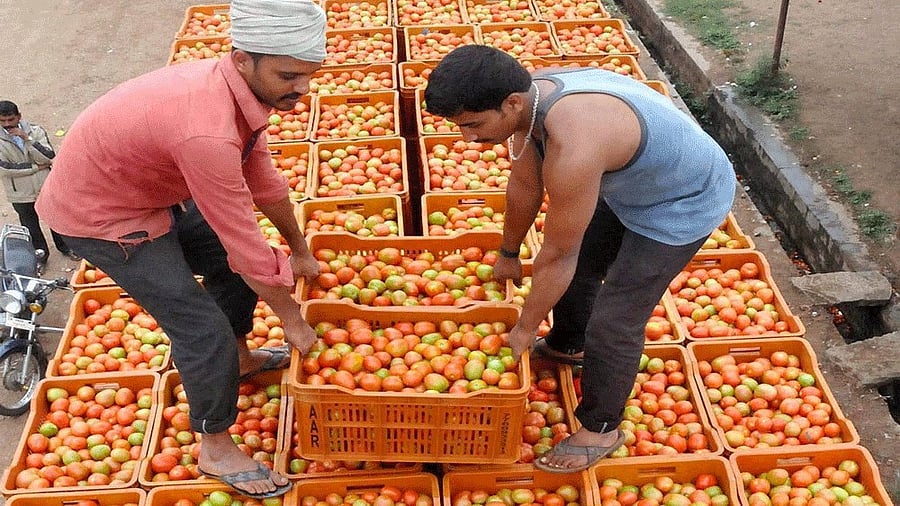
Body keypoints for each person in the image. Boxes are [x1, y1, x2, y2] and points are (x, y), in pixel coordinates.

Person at [36, 0, 327, 498]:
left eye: (308, 75)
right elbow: (245, 244)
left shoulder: (240, 95)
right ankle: (215, 446)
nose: (300, 88)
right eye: (288, 75)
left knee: (227, 269)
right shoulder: (206, 130)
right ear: (242, 59)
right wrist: (292, 317)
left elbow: (266, 183)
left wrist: (299, 250)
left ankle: (239, 359)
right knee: (201, 327)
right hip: (103, 217)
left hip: (151, 191)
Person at [425, 45, 736, 473]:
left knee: (616, 317)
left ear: (510, 104)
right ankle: (567, 343)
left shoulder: (575, 145)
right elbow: (524, 186)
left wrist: (524, 327)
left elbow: (557, 256)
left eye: (474, 125)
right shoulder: (528, 99)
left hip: (681, 201)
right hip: (630, 182)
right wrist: (509, 253)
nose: (468, 138)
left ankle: (601, 428)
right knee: (586, 266)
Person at [0, 100, 80, 268]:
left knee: (56, 219)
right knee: (30, 225)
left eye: (11, 120)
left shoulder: (35, 132)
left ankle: (66, 247)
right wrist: (36, 167)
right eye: (2, 121)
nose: (7, 124)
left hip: (45, 186)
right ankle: (40, 256)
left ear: (19, 117)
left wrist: (27, 139)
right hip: (20, 193)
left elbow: (48, 155)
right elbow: (5, 168)